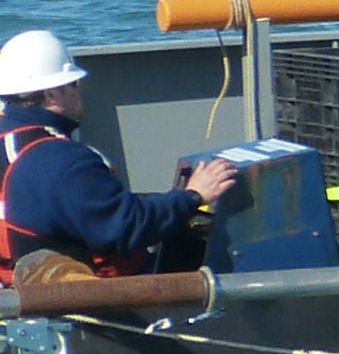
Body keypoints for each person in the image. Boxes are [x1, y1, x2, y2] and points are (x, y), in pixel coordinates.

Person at [1, 30, 236, 286]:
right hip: (91, 304)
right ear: (51, 94)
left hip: (16, 293)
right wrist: (193, 196)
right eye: (73, 83)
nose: (79, 90)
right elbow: (124, 228)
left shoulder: (13, 142)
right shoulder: (61, 161)